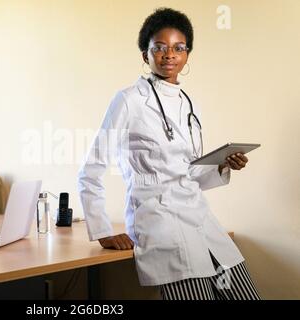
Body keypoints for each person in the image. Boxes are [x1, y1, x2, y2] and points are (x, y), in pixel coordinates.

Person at [77, 7, 261, 300]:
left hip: (200, 217)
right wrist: (102, 230)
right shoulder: (128, 100)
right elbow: (91, 168)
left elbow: (189, 172)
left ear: (187, 54)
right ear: (144, 54)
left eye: (178, 48)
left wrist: (223, 165)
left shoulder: (189, 103)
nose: (169, 55)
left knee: (244, 295)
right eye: (159, 48)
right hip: (161, 222)